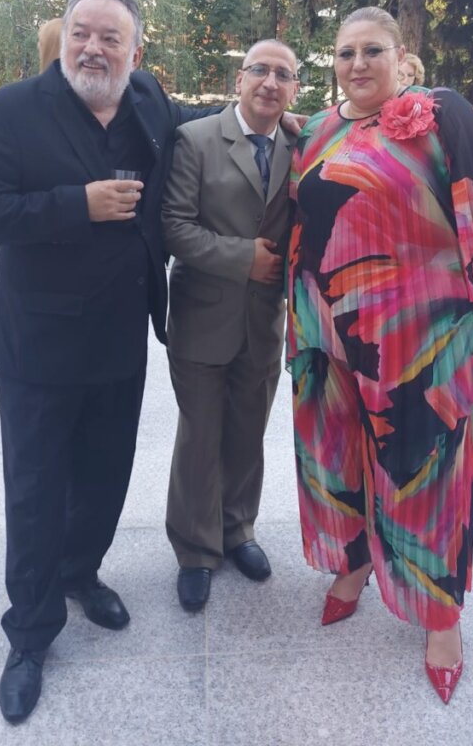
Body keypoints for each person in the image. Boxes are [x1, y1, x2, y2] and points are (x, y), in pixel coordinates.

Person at [0, 0, 224, 725]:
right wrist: (79, 203)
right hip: (38, 344)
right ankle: (30, 634)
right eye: (82, 33)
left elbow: (193, 126)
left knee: (104, 474)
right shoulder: (10, 111)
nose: (93, 48)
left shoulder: (146, 98)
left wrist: (273, 115)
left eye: (110, 38)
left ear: (136, 50)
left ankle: (80, 572)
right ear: (64, 36)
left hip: (120, 333)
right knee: (36, 488)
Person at [286, 6, 473, 704]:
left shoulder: (442, 115)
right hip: (326, 328)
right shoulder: (320, 129)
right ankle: (357, 562)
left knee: (425, 471)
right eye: (345, 53)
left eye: (372, 51)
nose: (357, 64)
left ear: (401, 56)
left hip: (421, 335)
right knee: (337, 456)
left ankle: (441, 617)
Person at [162, 40, 299, 612]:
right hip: (203, 315)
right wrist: (246, 258)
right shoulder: (195, 140)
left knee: (247, 432)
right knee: (200, 437)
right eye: (260, 70)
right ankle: (196, 549)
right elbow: (174, 226)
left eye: (283, 74)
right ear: (238, 80)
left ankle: (238, 529)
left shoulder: (300, 143)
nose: (270, 81)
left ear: (294, 90)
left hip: (263, 320)